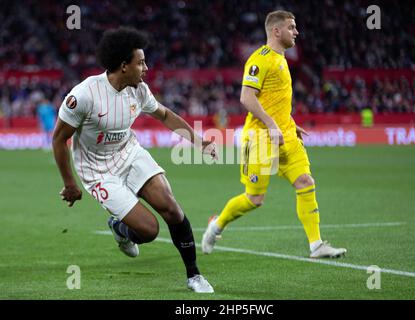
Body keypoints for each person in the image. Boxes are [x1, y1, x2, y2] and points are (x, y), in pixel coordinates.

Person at [52, 27, 217, 293]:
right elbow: (59, 139)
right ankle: (119, 228)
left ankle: (194, 275)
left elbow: (164, 115)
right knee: (149, 231)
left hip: (129, 153)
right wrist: (70, 183)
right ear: (123, 65)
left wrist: (198, 141)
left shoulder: (138, 90)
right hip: (97, 171)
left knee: (172, 209)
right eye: (140, 62)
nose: (146, 68)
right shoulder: (84, 95)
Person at [202, 10, 347, 259]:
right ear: (276, 31)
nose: (296, 31)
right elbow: (246, 97)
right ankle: (216, 225)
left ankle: (316, 245)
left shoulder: (282, 60)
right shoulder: (261, 59)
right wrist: (271, 124)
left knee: (305, 182)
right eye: (291, 27)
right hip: (259, 138)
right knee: (254, 199)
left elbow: (274, 101)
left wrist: (289, 122)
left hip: (285, 135)